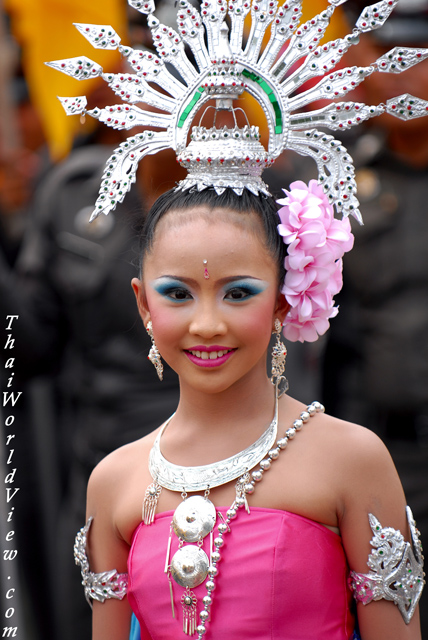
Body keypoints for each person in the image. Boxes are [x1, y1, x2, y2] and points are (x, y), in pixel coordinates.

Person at [48, 0, 425, 638]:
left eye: (239, 292)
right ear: (142, 302)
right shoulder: (113, 481)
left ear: (287, 296)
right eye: (176, 293)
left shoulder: (352, 461)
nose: (206, 324)